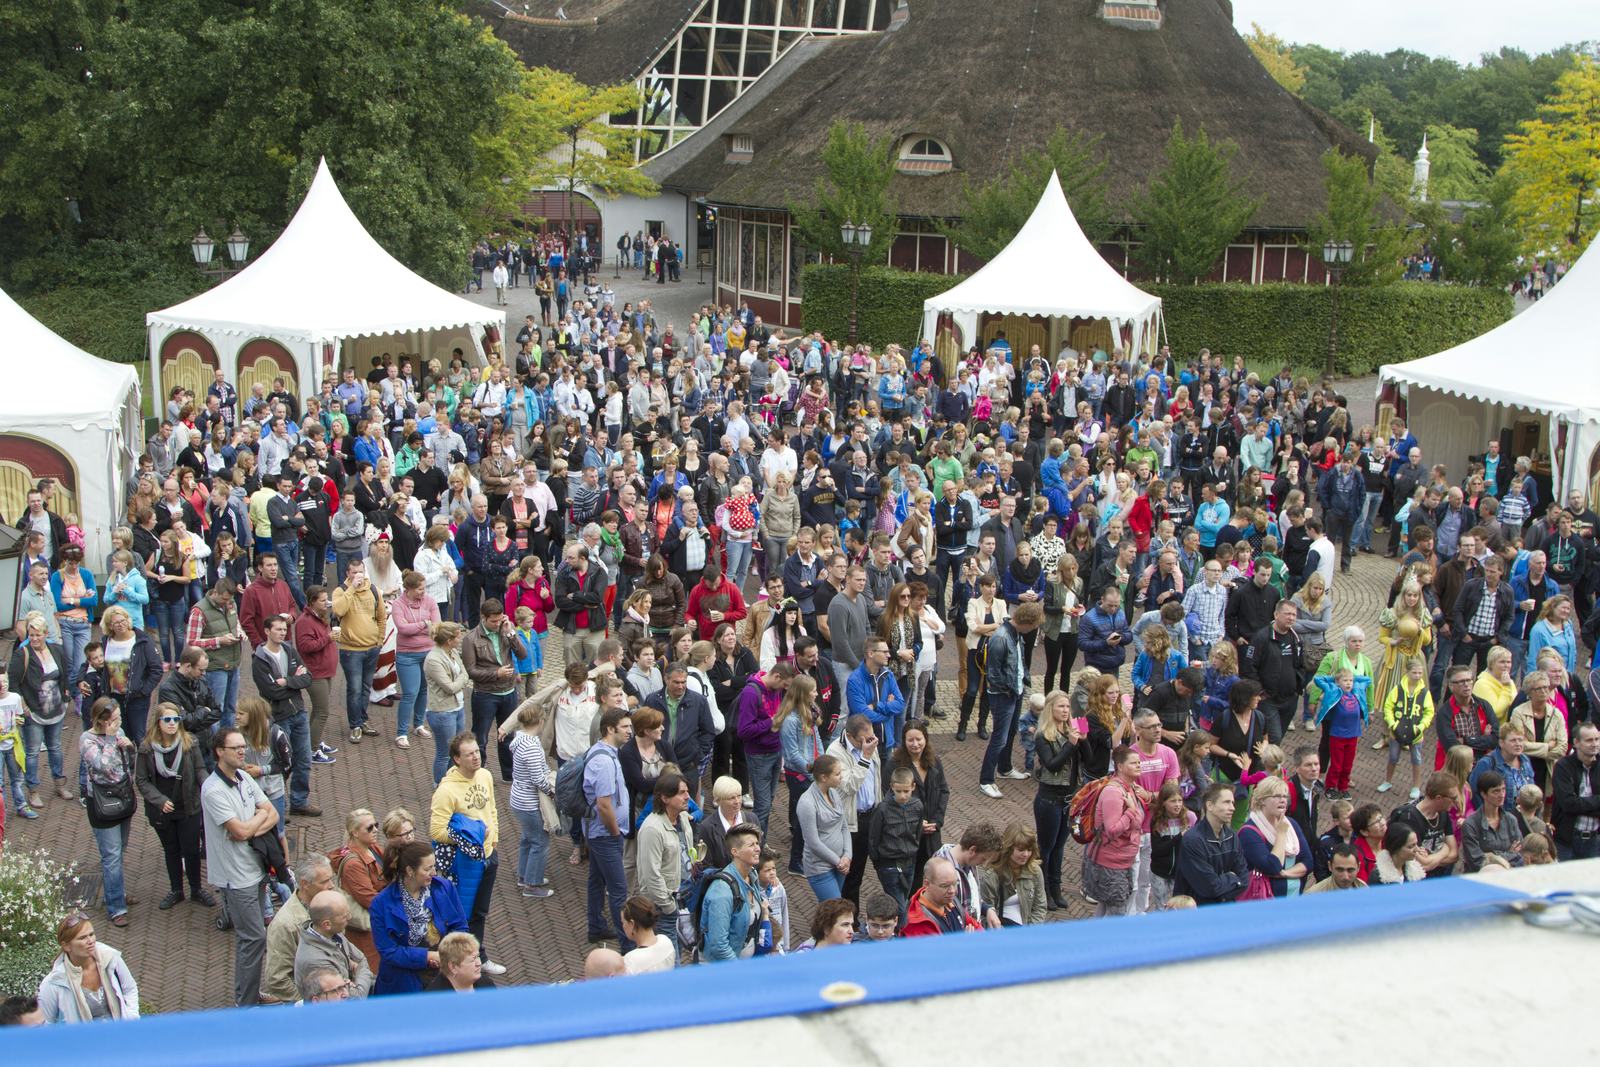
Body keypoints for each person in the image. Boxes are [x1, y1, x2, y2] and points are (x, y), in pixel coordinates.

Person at [201, 727, 279, 1005]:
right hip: (236, 876)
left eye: (243, 746)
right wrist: (257, 821)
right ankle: (244, 1002)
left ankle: (252, 993)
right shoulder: (212, 790)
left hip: (255, 868)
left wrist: (253, 823)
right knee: (254, 937)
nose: (242, 751)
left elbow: (273, 813)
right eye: (235, 747)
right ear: (220, 752)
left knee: (255, 937)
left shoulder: (245, 777)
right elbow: (239, 832)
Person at [429, 732, 505, 975]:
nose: (476, 757)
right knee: (463, 912)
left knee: (480, 911)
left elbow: (491, 809)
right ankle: (458, 963)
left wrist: (492, 839)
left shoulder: (485, 775)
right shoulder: (446, 791)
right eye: (469, 754)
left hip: (488, 856)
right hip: (466, 863)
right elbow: (437, 831)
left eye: (477, 752)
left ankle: (478, 957)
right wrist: (466, 838)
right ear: (456, 759)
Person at [134, 701, 214, 910]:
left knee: (192, 849)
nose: (172, 724)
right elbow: (142, 780)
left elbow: (199, 770)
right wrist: (159, 801)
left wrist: (210, 787)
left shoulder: (190, 743)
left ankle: (196, 889)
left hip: (188, 806)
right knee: (171, 849)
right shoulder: (146, 749)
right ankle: (176, 890)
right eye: (167, 720)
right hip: (163, 809)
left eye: (176, 720)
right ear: (158, 722)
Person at [369, 840, 468, 995]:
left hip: (442, 976)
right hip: (402, 985)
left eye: (434, 866)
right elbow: (388, 951)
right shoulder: (381, 904)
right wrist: (427, 956)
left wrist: (448, 953)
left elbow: (460, 927)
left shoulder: (443, 888)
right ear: (410, 871)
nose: (434, 873)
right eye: (428, 869)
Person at [249, 613, 319, 818]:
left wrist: (286, 682)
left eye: (284, 629)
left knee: (304, 760)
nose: (282, 633)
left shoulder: (289, 650)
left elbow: (308, 678)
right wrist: (293, 682)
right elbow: (271, 691)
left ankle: (299, 802)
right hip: (279, 716)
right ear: (267, 631)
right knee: (282, 763)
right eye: (278, 629)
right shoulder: (259, 660)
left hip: (298, 711)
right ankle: (277, 803)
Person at [79, 699, 137, 928]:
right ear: (102, 720)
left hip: (122, 798)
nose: (119, 722)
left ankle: (115, 893)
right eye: (114, 719)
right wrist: (113, 740)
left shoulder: (118, 731)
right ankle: (116, 907)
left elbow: (127, 764)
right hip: (102, 803)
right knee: (111, 856)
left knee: (119, 851)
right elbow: (103, 766)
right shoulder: (87, 740)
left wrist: (129, 745)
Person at [9, 614, 73, 806]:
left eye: (38, 635)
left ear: (46, 634)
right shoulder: (22, 654)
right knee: (33, 752)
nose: (35, 639)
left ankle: (59, 783)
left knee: (55, 747)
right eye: (31, 634)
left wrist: (66, 695)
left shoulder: (56, 649)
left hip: (56, 708)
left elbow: (65, 672)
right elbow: (13, 683)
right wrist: (24, 707)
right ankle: (33, 790)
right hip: (34, 711)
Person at [584, 707, 633, 949]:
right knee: (618, 890)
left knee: (596, 880)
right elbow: (604, 805)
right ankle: (627, 944)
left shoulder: (606, 753)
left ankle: (595, 927)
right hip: (605, 834)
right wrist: (615, 831)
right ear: (610, 729)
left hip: (600, 833)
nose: (630, 732)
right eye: (625, 727)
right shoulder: (604, 761)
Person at [36, 912, 140, 1022]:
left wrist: (131, 1019)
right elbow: (46, 1023)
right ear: (66, 946)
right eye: (82, 938)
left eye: (91, 934)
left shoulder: (110, 958)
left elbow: (129, 989)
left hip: (119, 1034)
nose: (90, 941)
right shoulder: (54, 982)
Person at [261, 854, 336, 1003]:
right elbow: (277, 979)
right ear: (305, 884)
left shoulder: (329, 900)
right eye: (325, 881)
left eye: (331, 878)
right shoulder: (285, 924)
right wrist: (309, 1002)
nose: (332, 885)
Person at [1083, 745, 1146, 916]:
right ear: (1120, 766)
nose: (1139, 765)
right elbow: (1112, 830)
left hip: (1123, 860)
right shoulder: (1113, 792)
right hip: (1111, 864)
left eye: (1139, 762)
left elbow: (1138, 822)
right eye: (1133, 763)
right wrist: (1131, 811)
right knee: (1116, 913)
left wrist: (1133, 813)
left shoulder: (1130, 788)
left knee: (1105, 908)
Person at [462, 598, 526, 759]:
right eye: (493, 621)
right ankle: (477, 770)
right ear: (483, 617)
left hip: (509, 691)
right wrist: (496, 674)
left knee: (508, 736)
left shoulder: (505, 630)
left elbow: (522, 655)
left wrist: (511, 633)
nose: (497, 624)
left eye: (500, 619)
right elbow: (471, 671)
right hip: (485, 694)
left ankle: (507, 774)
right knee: (480, 737)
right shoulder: (470, 639)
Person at [332, 558, 388, 744]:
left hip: (372, 648)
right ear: (348, 573)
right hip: (351, 650)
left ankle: (362, 720)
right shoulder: (340, 591)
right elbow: (338, 611)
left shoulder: (373, 590)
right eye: (354, 572)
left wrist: (379, 640)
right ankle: (354, 724)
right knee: (354, 689)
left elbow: (381, 617)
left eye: (361, 571)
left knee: (365, 688)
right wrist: (351, 589)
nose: (358, 575)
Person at [505, 701, 556, 898]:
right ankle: (532, 885)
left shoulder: (520, 741)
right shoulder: (531, 747)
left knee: (528, 838)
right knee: (540, 842)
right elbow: (538, 779)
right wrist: (551, 790)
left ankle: (524, 874)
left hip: (518, 798)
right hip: (528, 802)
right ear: (540, 721)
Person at [1172, 783, 1249, 905]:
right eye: (1226, 802)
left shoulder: (1232, 836)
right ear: (1210, 806)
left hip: (1226, 909)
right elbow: (1209, 888)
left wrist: (1224, 883)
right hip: (1197, 913)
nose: (1232, 808)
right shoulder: (1193, 840)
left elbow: (1244, 879)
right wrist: (1233, 878)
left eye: (1232, 803)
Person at [1238, 776, 1312, 897]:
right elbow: (1272, 867)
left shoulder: (1291, 824)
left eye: (1284, 796)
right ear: (1262, 800)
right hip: (1265, 901)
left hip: (1294, 897)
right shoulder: (1249, 832)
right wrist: (1281, 834)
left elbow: (1308, 862)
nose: (1283, 800)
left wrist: (1285, 874)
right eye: (1277, 796)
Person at [700, 823, 764, 962]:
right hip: (721, 971)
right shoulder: (721, 892)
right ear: (735, 852)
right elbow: (719, 945)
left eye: (757, 843)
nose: (757, 848)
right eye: (751, 845)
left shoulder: (752, 875)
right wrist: (738, 972)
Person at [796, 753, 852, 903]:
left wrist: (847, 855)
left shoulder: (834, 793)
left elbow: (844, 826)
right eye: (837, 774)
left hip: (840, 863)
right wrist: (838, 861)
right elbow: (812, 842)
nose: (841, 777)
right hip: (819, 866)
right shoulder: (807, 803)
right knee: (835, 908)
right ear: (823, 777)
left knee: (829, 911)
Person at [1390, 771, 1463, 878]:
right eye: (1453, 798)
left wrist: (1431, 859)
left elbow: (1454, 855)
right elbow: (1422, 864)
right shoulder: (1409, 819)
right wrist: (1445, 849)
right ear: (1439, 798)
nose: (1456, 802)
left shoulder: (1443, 813)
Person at [423, 622, 470, 784]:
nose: (460, 639)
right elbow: (449, 687)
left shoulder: (453, 652)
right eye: (457, 636)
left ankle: (452, 782)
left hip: (458, 707)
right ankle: (440, 785)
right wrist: (462, 680)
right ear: (449, 640)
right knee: (444, 753)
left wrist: (461, 679)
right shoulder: (433, 660)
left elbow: (465, 672)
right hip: (442, 712)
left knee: (457, 750)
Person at [978, 823, 1048, 927]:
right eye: (1021, 850)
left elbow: (1040, 907)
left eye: (1029, 850)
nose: (1026, 854)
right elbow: (986, 914)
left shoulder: (1035, 871)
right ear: (1009, 848)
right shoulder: (992, 877)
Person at [1551, 721, 1600, 860]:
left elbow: (1574, 804)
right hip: (1567, 840)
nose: (1595, 744)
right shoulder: (1563, 766)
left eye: (1597, 739)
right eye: (1589, 740)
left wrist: (1579, 803)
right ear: (1576, 742)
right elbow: (1568, 804)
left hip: (1595, 840)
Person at [1459, 771, 1524, 872]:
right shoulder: (1471, 824)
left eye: (1503, 790)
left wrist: (1491, 855)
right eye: (1496, 791)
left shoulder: (1511, 820)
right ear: (1483, 794)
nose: (1502, 795)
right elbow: (1477, 861)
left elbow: (1520, 854)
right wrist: (1508, 853)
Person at [902, 856, 981, 936]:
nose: (952, 891)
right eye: (945, 886)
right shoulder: (917, 924)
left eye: (955, 883)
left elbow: (975, 926)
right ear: (926, 884)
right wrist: (966, 945)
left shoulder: (952, 902)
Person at [620, 896, 676, 973]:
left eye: (623, 922)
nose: (622, 926)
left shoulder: (630, 961)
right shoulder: (666, 941)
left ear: (632, 924)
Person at [426, 931, 494, 992]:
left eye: (478, 956)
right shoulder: (435, 999)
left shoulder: (486, 985)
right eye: (473, 960)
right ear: (453, 967)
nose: (479, 963)